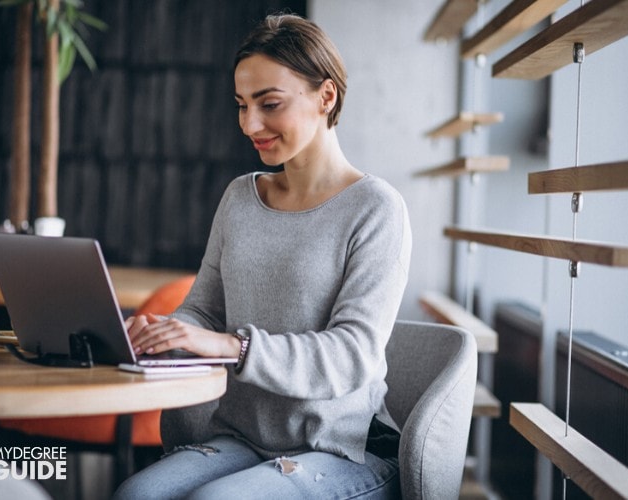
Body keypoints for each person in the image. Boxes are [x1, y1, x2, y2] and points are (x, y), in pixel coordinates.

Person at [114, 13, 411, 500]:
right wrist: (164, 332)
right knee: (136, 494)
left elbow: (353, 355)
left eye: (269, 104)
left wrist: (235, 346)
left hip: (341, 450)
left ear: (326, 97)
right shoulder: (239, 197)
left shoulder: (377, 209)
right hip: (242, 438)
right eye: (241, 105)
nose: (250, 124)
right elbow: (204, 310)